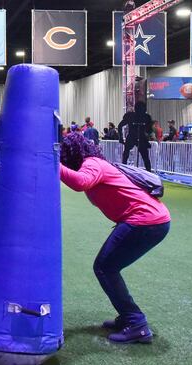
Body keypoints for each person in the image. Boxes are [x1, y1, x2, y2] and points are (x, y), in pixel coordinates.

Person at [59, 132, 170, 344]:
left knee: (105, 267)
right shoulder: (95, 164)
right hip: (149, 220)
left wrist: (51, 161)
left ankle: (136, 323)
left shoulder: (93, 163)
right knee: (108, 267)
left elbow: (80, 182)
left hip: (146, 221)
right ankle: (130, 318)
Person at [118, 101, 153, 171]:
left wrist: (149, 132)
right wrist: (120, 138)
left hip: (141, 137)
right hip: (132, 136)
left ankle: (149, 172)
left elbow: (149, 130)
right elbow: (120, 126)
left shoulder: (146, 117)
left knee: (145, 157)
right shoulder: (130, 116)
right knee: (126, 154)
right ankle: (123, 170)